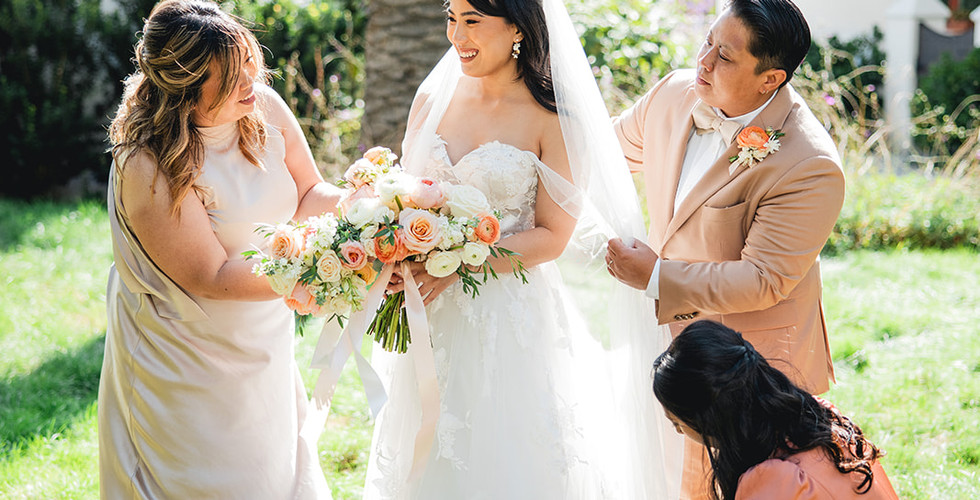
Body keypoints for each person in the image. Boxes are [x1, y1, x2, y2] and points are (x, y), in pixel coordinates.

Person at [361, 0, 680, 497]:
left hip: (504, 310)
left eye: (472, 22)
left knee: (500, 447)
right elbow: (406, 193)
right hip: (428, 306)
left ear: (517, 28)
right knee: (426, 440)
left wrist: (461, 265)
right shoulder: (431, 100)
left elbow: (554, 235)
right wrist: (398, 252)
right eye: (451, 18)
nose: (456, 36)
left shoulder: (553, 118)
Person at [98, 1, 340, 497]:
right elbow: (211, 276)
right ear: (185, 89)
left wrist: (369, 206)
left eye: (250, 62)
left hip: (262, 329)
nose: (252, 82)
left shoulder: (262, 107)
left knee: (270, 471)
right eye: (232, 77)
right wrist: (316, 272)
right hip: (186, 354)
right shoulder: (147, 163)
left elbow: (311, 192)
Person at [604, 0, 845, 497]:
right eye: (707, 41)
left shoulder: (809, 164)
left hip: (748, 367)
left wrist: (655, 276)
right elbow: (604, 152)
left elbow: (763, 279)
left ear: (770, 79)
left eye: (725, 56)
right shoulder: (675, 93)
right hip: (666, 340)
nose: (704, 62)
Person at [653, 320, 900, 500]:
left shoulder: (775, 481)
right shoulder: (818, 417)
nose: (678, 432)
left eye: (678, 423)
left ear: (709, 418)